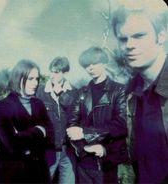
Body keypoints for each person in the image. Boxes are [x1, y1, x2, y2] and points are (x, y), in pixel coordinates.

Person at [112, 0, 168, 183]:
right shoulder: (131, 92)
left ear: (161, 36)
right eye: (123, 39)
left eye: (139, 35)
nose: (129, 45)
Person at [67, 47, 128, 184]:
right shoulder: (81, 92)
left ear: (104, 63)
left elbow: (121, 124)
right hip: (84, 160)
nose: (90, 67)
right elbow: (72, 124)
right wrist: (84, 148)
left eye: (94, 63)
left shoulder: (119, 90)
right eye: (86, 65)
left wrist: (87, 134)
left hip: (108, 159)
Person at [0, 59, 52, 183]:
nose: (35, 83)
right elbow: (11, 143)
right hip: (13, 174)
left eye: (37, 79)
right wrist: (38, 131)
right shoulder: (1, 106)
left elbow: (50, 136)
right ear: (18, 78)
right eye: (30, 79)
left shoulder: (39, 104)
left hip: (39, 173)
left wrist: (21, 135)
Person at [36, 57, 76, 184]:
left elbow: (77, 116)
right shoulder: (40, 92)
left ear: (65, 73)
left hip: (69, 149)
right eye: (52, 71)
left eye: (57, 72)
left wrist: (63, 96)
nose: (53, 75)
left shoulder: (74, 92)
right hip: (48, 149)